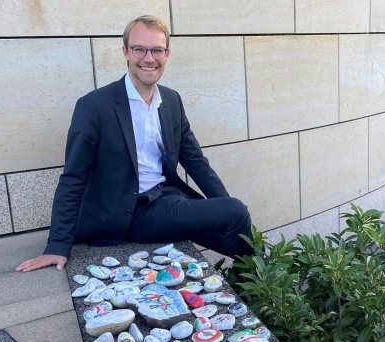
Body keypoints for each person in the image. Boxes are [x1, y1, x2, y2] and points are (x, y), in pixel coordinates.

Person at [16, 15, 253, 273]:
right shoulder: (94, 106)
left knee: (231, 227)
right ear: (126, 52)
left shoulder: (171, 101)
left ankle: (257, 281)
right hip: (131, 214)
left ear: (167, 53)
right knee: (235, 212)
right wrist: (57, 245)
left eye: (157, 50)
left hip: (167, 199)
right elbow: (73, 177)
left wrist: (221, 210)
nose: (149, 58)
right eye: (139, 49)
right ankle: (257, 283)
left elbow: (196, 162)